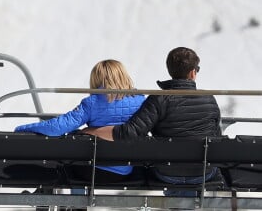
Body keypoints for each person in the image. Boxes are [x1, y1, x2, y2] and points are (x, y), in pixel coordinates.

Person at [85, 47, 221, 192]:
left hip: (166, 173)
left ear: (170, 71)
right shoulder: (209, 99)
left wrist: (90, 131)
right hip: (204, 174)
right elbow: (216, 137)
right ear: (193, 73)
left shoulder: (158, 99)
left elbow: (130, 132)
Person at [15, 59, 145, 183]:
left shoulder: (92, 103)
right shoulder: (141, 101)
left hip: (92, 171)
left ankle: (60, 200)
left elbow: (57, 127)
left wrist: (23, 129)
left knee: (62, 163)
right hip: (126, 172)